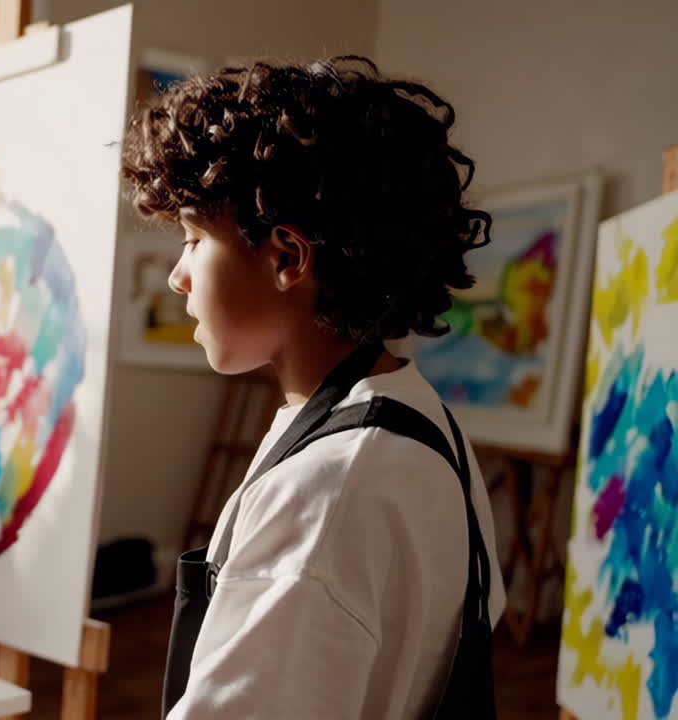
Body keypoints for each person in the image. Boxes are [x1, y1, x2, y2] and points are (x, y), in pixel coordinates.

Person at [120, 56, 507, 718]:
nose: (177, 277)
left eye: (191, 239)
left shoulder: (326, 491)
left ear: (288, 257)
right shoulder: (420, 419)